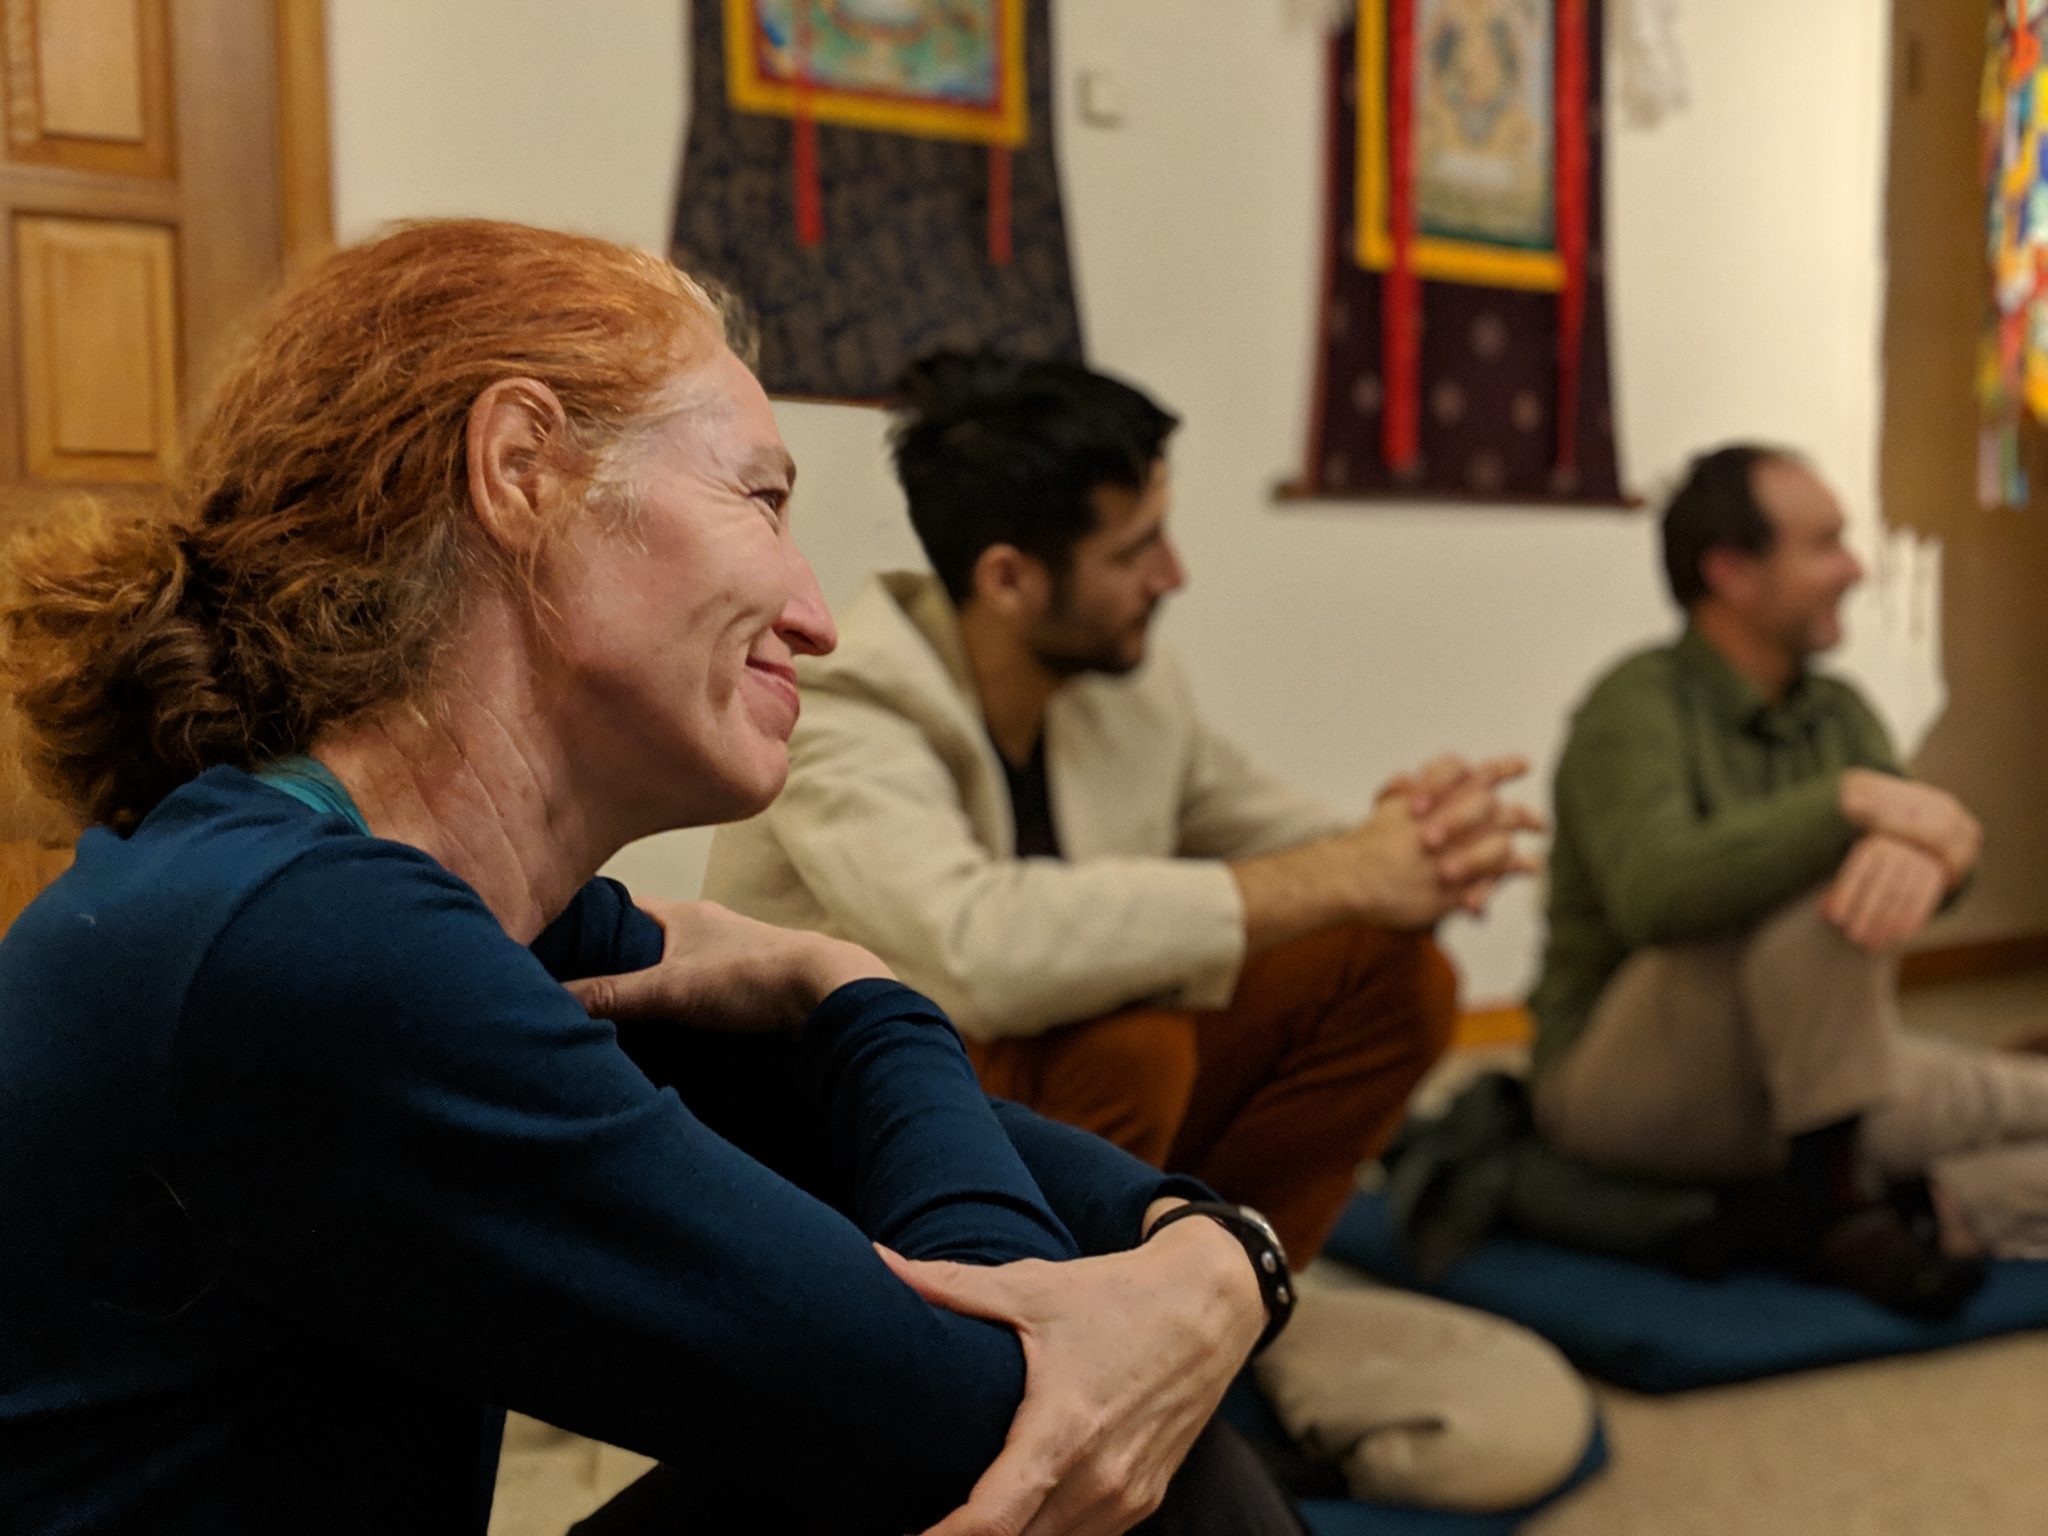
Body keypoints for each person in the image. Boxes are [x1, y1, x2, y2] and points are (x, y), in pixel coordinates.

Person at [0, 221, 1299, 1536]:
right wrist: (864, 990)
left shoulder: (419, 904)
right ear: (522, 470)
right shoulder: (319, 943)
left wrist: (1214, 1256)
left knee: (1152, 1437)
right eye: (762, 500)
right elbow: (999, 1416)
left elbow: (867, 1141)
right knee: (1109, 1467)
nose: (815, 616)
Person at [704, 353, 1542, 1263]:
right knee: (1131, 1048)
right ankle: (1044, 1326)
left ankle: (1234, 1287)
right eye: (1136, 549)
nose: (1172, 575)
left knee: (1389, 975)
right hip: (831, 1131)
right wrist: (1347, 871)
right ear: (1009, 580)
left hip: (1031, 1099)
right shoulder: (844, 701)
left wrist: (1418, 839)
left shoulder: (1122, 684)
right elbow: (977, 952)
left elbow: (1282, 838)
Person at [1529, 443, 2048, 1312]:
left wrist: (1937, 853)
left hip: (1814, 1081)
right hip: (1625, 1087)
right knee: (1821, 902)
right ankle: (1845, 1209)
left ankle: (1896, 1212)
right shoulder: (1634, 704)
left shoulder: (1836, 713)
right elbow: (1655, 893)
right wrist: (1846, 808)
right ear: (1731, 572)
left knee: (2022, 1103)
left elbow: (1921, 854)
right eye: (1826, 544)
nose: (1856, 568)